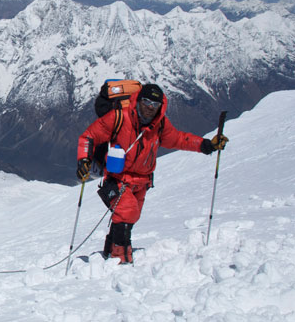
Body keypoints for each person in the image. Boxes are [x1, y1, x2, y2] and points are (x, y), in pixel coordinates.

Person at [76, 84, 228, 264]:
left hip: (142, 181)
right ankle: (120, 258)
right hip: (117, 179)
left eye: (154, 104)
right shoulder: (119, 117)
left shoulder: (160, 125)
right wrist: (84, 160)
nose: (149, 107)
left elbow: (179, 139)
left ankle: (110, 251)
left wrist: (206, 145)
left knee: (131, 216)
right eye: (146, 102)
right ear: (138, 100)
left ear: (160, 106)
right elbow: (89, 136)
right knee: (127, 212)